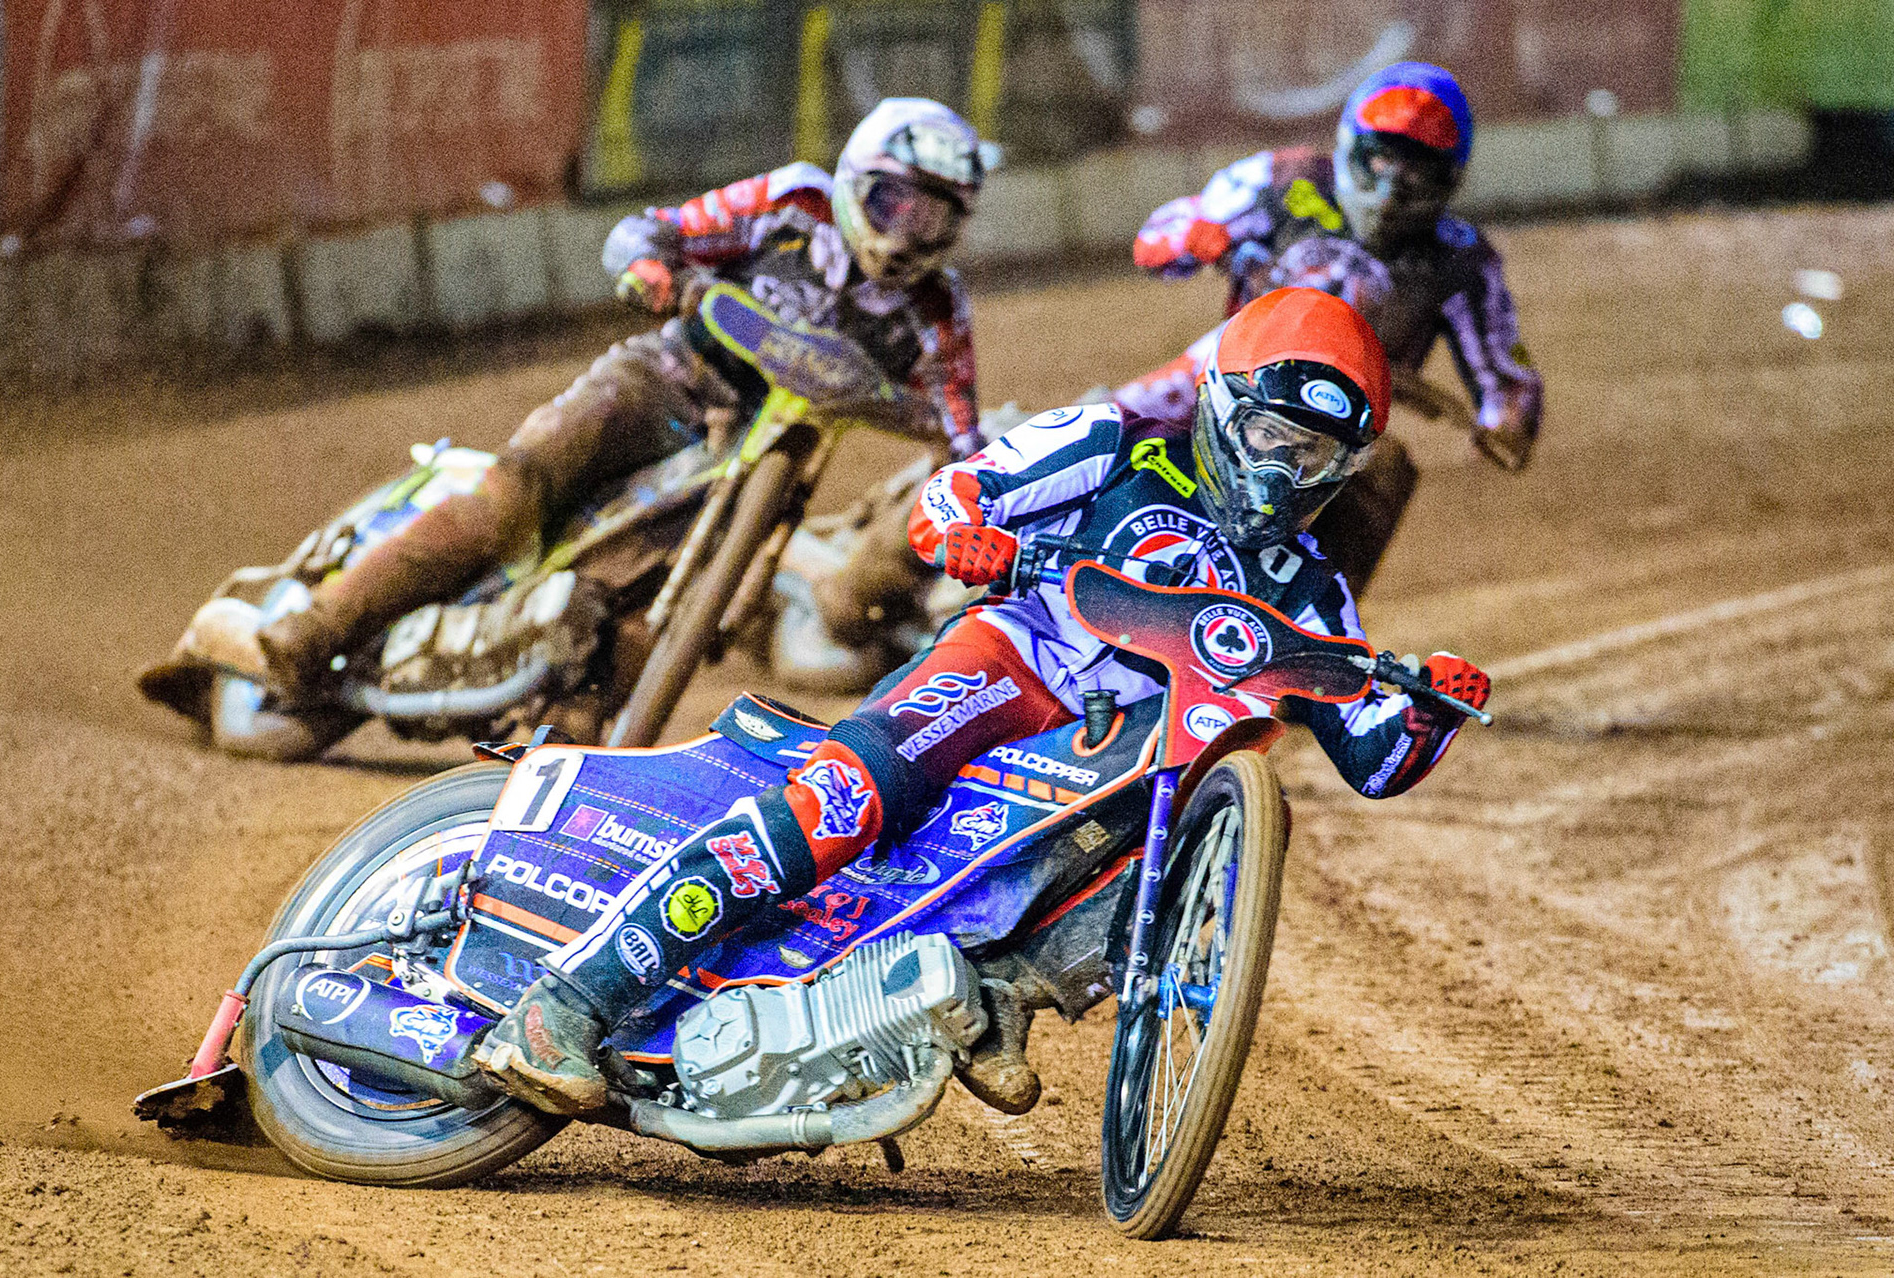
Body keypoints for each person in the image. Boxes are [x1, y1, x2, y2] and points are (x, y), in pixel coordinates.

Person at [476, 287, 1492, 1117]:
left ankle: (995, 991)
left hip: (1126, 749)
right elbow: (960, 493)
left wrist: (1427, 711)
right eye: (1271, 433)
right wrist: (969, 527)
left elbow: (1373, 752)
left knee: (1180, 825)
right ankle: (567, 1001)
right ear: (1223, 407)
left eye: (1313, 454)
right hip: (1013, 663)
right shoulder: (1115, 446)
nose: (1283, 469)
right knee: (845, 799)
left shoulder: (1310, 585)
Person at [252, 98, 992, 695]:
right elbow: (649, 230)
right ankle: (318, 628)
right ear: (855, 180)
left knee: (669, 614)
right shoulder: (796, 201)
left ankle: (574, 745)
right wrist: (655, 271)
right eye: (892, 205)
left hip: (765, 462)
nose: (904, 237)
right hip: (664, 382)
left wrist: (964, 501)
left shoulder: (936, 311)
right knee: (515, 494)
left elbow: (959, 438)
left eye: (932, 219)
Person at [1124, 62, 1543, 590]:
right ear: (1350, 147)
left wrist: (1504, 422)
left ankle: (1308, 627)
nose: (1390, 193)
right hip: (1228, 375)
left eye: (1415, 176)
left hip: (1334, 434)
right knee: (1105, 424)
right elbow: (1153, 243)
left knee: (1384, 469)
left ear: (1448, 179)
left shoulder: (1462, 261)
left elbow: (1510, 388)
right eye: (1380, 164)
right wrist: (1201, 236)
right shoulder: (1281, 179)